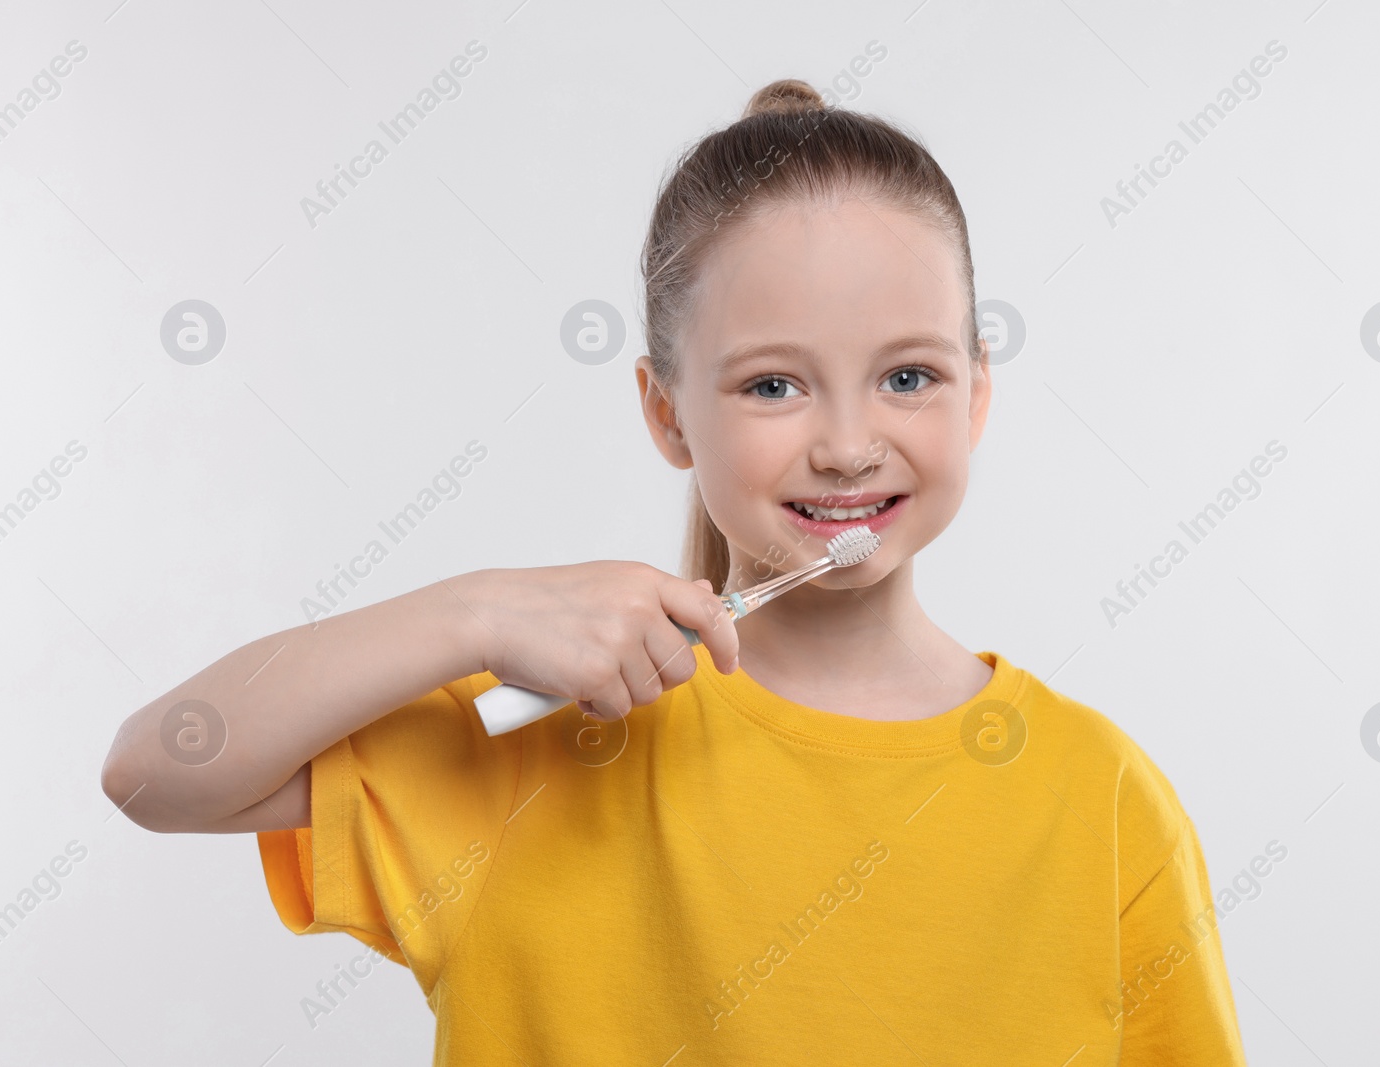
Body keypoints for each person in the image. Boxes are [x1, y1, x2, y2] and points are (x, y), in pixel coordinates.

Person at [101, 78, 1246, 1064]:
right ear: (665, 411)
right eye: (772, 385)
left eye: (907, 376)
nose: (849, 442)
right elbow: (157, 768)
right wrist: (478, 609)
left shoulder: (1100, 798)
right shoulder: (532, 740)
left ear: (978, 390)